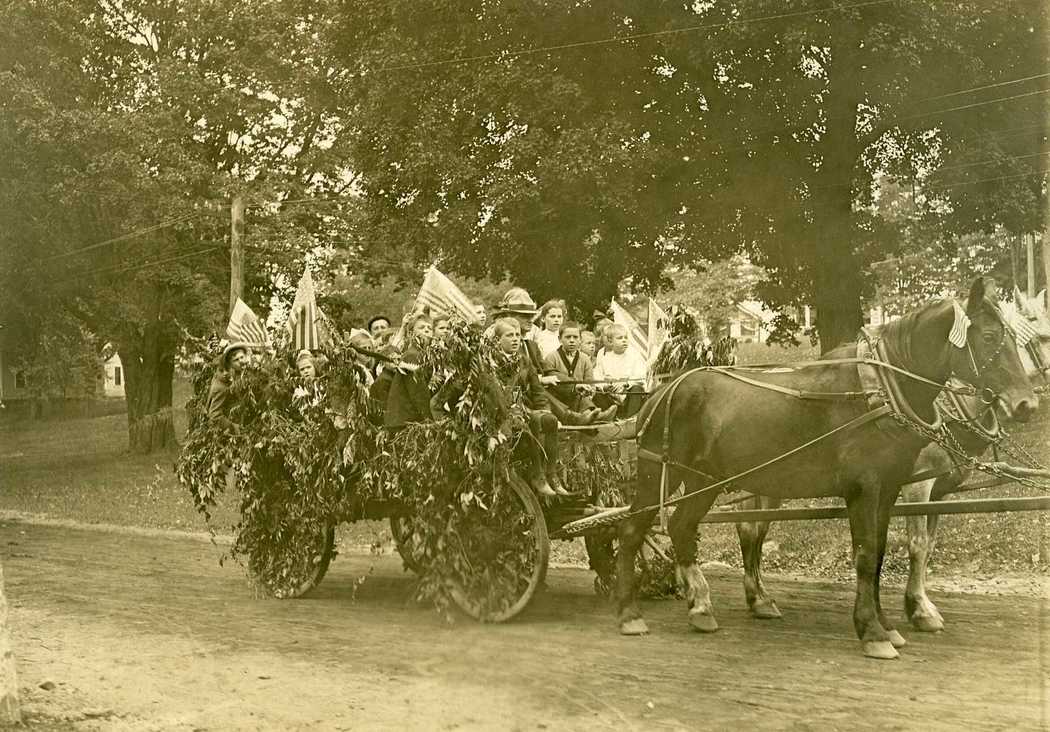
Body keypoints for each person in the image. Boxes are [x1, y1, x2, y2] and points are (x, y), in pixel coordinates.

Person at [491, 318, 566, 497]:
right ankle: (537, 475)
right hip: (502, 413)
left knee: (551, 420)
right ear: (498, 339)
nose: (515, 339)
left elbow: (538, 391)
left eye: (517, 335)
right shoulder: (491, 361)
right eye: (510, 335)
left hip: (524, 409)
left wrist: (544, 410)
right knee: (529, 423)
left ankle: (551, 474)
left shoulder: (524, 360)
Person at [544, 322, 616, 422]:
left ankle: (593, 414)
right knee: (574, 392)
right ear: (560, 339)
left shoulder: (585, 359)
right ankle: (592, 416)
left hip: (580, 398)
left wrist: (590, 390)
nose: (572, 341)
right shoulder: (551, 358)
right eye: (568, 337)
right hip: (561, 400)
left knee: (583, 394)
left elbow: (590, 381)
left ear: (580, 340)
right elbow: (551, 380)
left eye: (575, 337)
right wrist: (574, 387)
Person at [383, 313, 434, 430]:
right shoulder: (412, 355)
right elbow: (418, 392)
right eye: (421, 327)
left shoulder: (423, 355)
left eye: (429, 328)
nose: (426, 330)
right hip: (404, 422)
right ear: (411, 333)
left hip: (408, 420)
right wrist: (430, 420)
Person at [593, 323, 649, 417]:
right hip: (612, 396)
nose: (624, 340)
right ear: (610, 341)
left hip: (627, 395)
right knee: (597, 394)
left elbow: (640, 376)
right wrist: (605, 386)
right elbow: (597, 376)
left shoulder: (634, 355)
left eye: (625, 338)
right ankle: (610, 416)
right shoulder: (605, 358)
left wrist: (625, 383)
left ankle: (631, 417)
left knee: (637, 389)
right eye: (620, 338)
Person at [207, 342, 251, 421]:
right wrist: (233, 427)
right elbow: (214, 414)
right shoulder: (222, 385)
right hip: (231, 423)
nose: (241, 361)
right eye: (236, 360)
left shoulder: (246, 373)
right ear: (230, 364)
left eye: (242, 357)